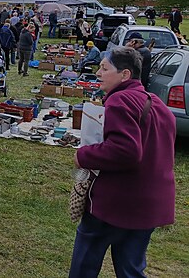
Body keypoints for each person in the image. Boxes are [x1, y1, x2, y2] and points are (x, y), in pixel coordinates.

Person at [69, 47, 175, 278]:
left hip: (115, 203)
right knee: (131, 270)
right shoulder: (157, 103)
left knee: (84, 265)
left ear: (125, 75)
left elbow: (126, 150)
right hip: (148, 204)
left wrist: (83, 155)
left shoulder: (119, 99)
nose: (98, 72)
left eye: (105, 68)